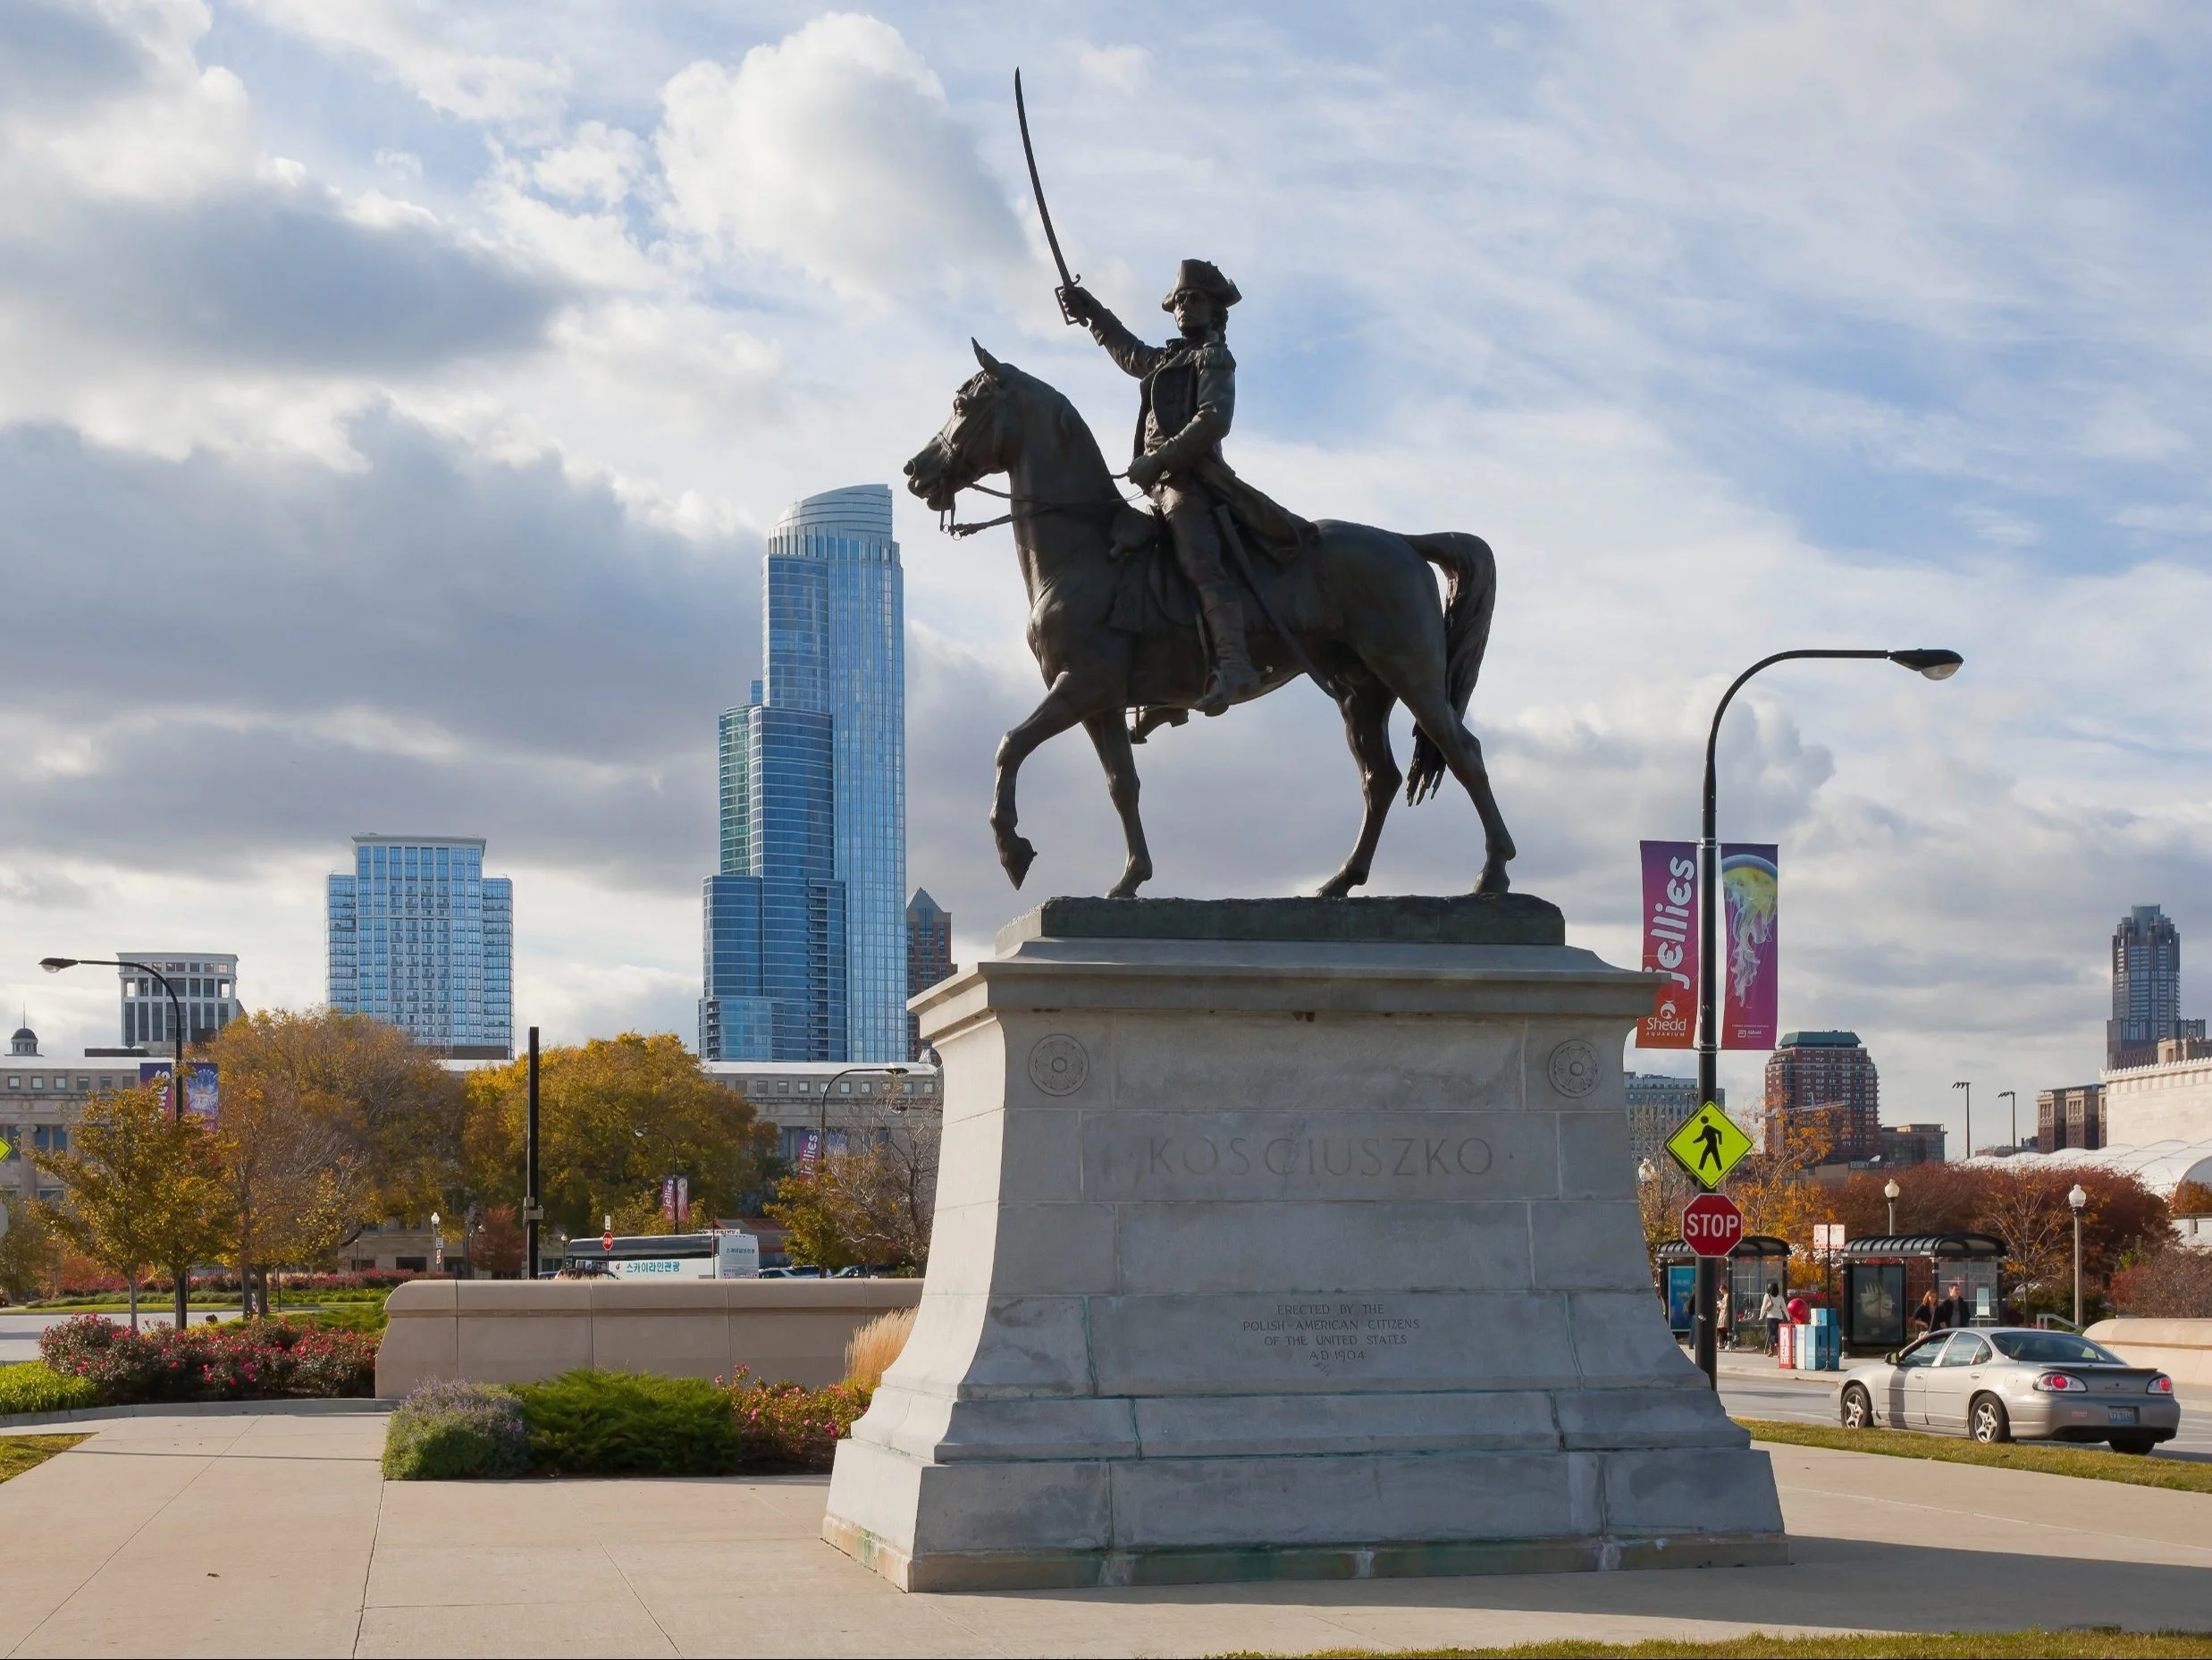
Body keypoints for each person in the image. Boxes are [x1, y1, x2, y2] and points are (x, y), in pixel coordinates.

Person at [1060, 262, 1309, 716]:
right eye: (1178, 300)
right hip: (1157, 485)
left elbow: (1213, 419)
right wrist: (1090, 310)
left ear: (1215, 310)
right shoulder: (1165, 359)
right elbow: (1126, 349)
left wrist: (1158, 459)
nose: (1183, 307)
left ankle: (1235, 665)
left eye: (1194, 298)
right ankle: (1168, 676)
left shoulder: (1213, 358)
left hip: (1191, 481)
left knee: (1199, 561)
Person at [1759, 1281, 1785, 1354]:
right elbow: (1784, 1308)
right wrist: (1788, 1317)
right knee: (1775, 1334)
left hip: (1771, 1318)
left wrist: (1761, 1316)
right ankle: (1771, 1350)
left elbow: (1763, 1307)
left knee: (1771, 1334)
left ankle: (1777, 1346)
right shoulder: (1780, 1297)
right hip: (1780, 1317)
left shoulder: (1767, 1296)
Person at [1716, 1284, 1732, 1351]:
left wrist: (1720, 1305)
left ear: (1723, 1289)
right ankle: (1723, 1342)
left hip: (1725, 1314)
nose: (1720, 1292)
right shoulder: (1724, 1296)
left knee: (1722, 1328)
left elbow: (1726, 1306)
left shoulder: (1727, 1296)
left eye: (1721, 1290)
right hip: (1722, 1314)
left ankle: (1724, 1342)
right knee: (1721, 1328)